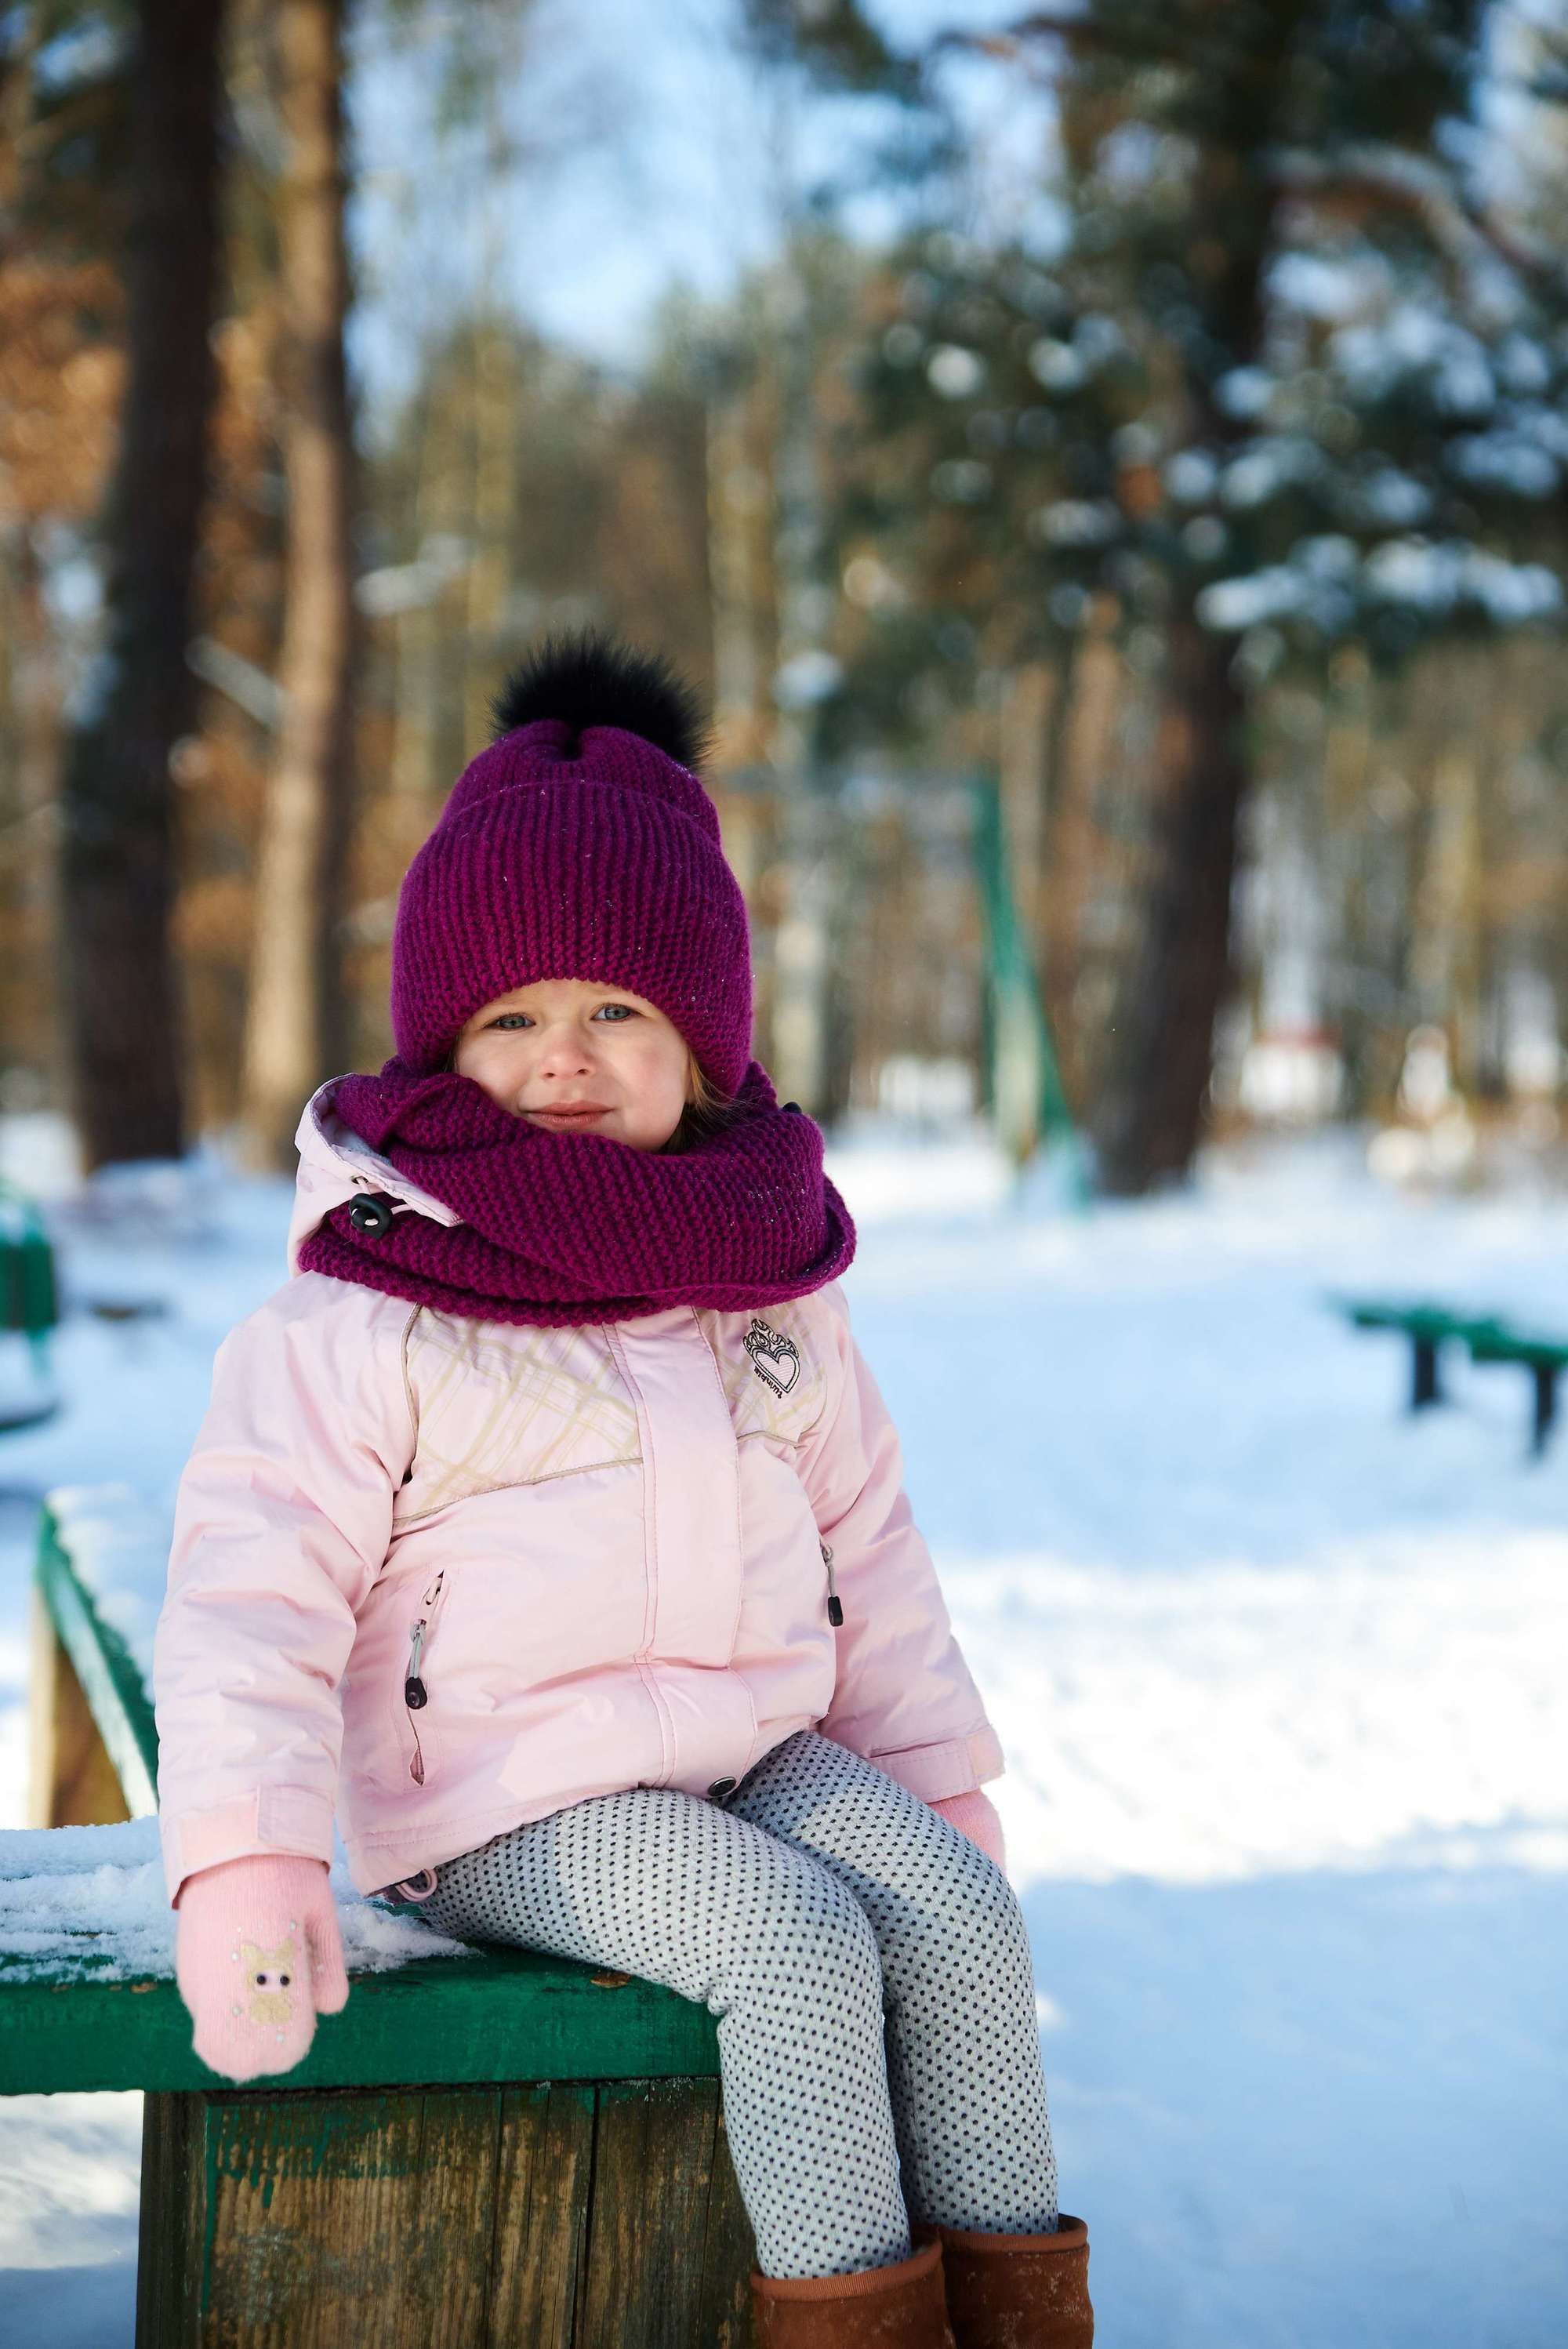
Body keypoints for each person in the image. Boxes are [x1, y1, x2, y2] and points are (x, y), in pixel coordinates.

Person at [153, 630, 1092, 2349]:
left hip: (750, 1747)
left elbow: (867, 1554)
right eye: (509, 1017)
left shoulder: (764, 1274)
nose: (562, 1055)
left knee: (950, 1914)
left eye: (615, 1010)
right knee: (794, 1944)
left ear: (705, 1040)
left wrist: (932, 1787)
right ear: (446, 1049)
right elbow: (248, 1596)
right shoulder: (367, 1300)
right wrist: (250, 1861)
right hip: (509, 1798)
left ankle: (1020, 2319)